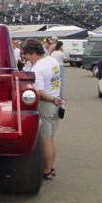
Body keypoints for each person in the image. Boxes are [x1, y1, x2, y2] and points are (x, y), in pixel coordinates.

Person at [21, 38, 64, 180]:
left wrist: (52, 99)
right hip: (57, 102)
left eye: (25, 54)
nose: (24, 58)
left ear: (32, 52)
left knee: (45, 139)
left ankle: (46, 170)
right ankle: (51, 166)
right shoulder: (52, 61)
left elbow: (39, 91)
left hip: (47, 103)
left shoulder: (38, 68)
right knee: (52, 137)